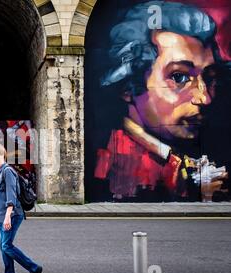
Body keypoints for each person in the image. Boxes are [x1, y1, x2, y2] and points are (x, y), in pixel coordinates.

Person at [94, 1, 230, 201]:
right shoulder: (116, 159)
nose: (204, 98)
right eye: (178, 77)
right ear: (128, 86)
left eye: (209, 78)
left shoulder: (179, 154)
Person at [0, 143, 42, 273]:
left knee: (6, 245)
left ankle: (34, 268)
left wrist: (7, 216)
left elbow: (11, 195)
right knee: (3, 246)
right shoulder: (0, 172)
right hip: (2, 216)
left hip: (11, 215)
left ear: (1, 154)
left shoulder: (8, 171)